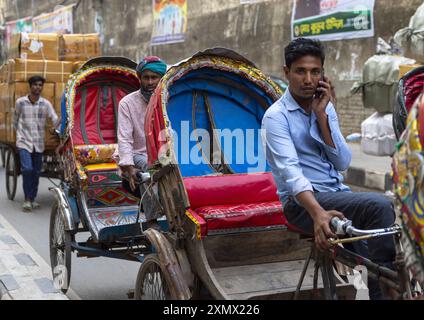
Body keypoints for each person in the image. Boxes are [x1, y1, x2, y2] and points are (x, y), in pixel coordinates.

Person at [262, 38, 396, 299]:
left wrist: (322, 118)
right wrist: (318, 214)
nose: (308, 79)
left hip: (336, 193)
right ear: (287, 72)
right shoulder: (275, 117)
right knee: (379, 206)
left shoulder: (325, 107)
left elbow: (343, 163)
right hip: (301, 204)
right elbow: (291, 173)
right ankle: (387, 287)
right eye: (300, 71)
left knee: (379, 247)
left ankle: (381, 282)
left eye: (315, 72)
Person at [117, 56, 167, 231]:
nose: (150, 82)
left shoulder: (168, 99)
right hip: (138, 154)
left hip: (166, 153)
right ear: (140, 79)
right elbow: (124, 139)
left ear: (161, 78)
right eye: (146, 77)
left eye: (154, 77)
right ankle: (152, 220)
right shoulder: (127, 103)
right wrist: (129, 167)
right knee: (149, 168)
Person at [13, 75, 59, 212]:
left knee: (36, 172)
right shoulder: (20, 102)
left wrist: (58, 125)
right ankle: (27, 199)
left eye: (40, 85)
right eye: (35, 85)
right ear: (30, 86)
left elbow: (55, 118)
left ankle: (32, 198)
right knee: (27, 169)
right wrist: (19, 134)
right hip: (23, 142)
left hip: (39, 143)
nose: (38, 87)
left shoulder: (46, 104)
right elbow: (15, 120)